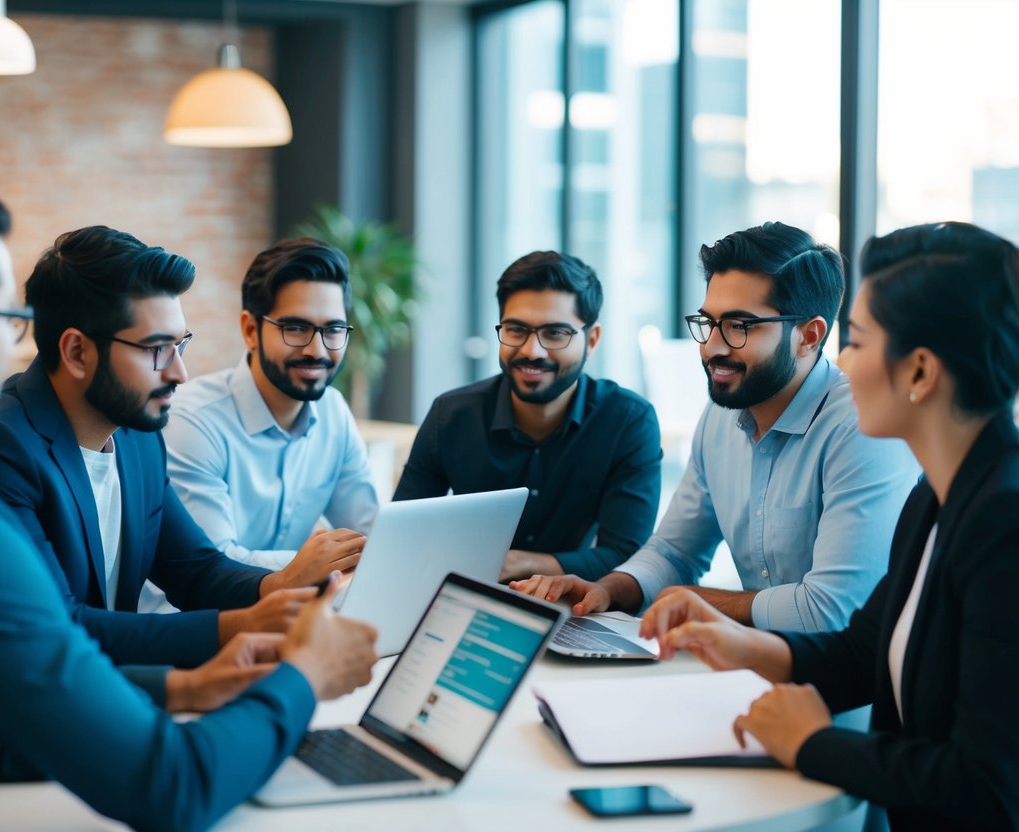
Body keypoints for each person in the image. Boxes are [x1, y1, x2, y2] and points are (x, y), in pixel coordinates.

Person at [0, 167, 377, 830]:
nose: (24, 340)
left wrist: (184, 685)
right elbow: (172, 786)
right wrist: (305, 676)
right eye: (13, 319)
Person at [639, 222, 1019, 830]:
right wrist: (740, 643)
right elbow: (860, 652)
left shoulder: (1004, 527)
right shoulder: (937, 500)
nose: (841, 362)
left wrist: (813, 743)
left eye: (861, 342)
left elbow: (986, 787)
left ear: (920, 373)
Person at [0, 225, 361, 701]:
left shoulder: (138, 438)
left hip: (113, 702)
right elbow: (59, 625)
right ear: (77, 351)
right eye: (156, 349)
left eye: (180, 345)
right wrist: (240, 626)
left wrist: (278, 586)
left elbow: (196, 572)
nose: (179, 372)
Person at [514, 223, 917, 632]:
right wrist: (606, 591)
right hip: (748, 668)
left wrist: (693, 601)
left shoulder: (861, 429)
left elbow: (831, 609)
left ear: (808, 336)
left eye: (739, 326)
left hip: (838, 691)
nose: (713, 348)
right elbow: (674, 551)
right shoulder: (721, 417)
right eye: (708, 323)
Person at [393, 250, 662, 582]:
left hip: (574, 605)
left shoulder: (627, 420)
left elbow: (625, 555)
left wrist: (522, 563)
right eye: (516, 330)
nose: (531, 351)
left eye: (554, 334)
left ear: (592, 340)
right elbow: (402, 537)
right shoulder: (450, 416)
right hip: (463, 596)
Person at [163, 237, 377, 572]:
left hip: (289, 617)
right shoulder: (191, 421)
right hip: (194, 621)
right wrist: (317, 561)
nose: (317, 351)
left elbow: (371, 537)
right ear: (250, 330)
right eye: (295, 328)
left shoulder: (333, 412)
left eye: (333, 330)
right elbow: (214, 567)